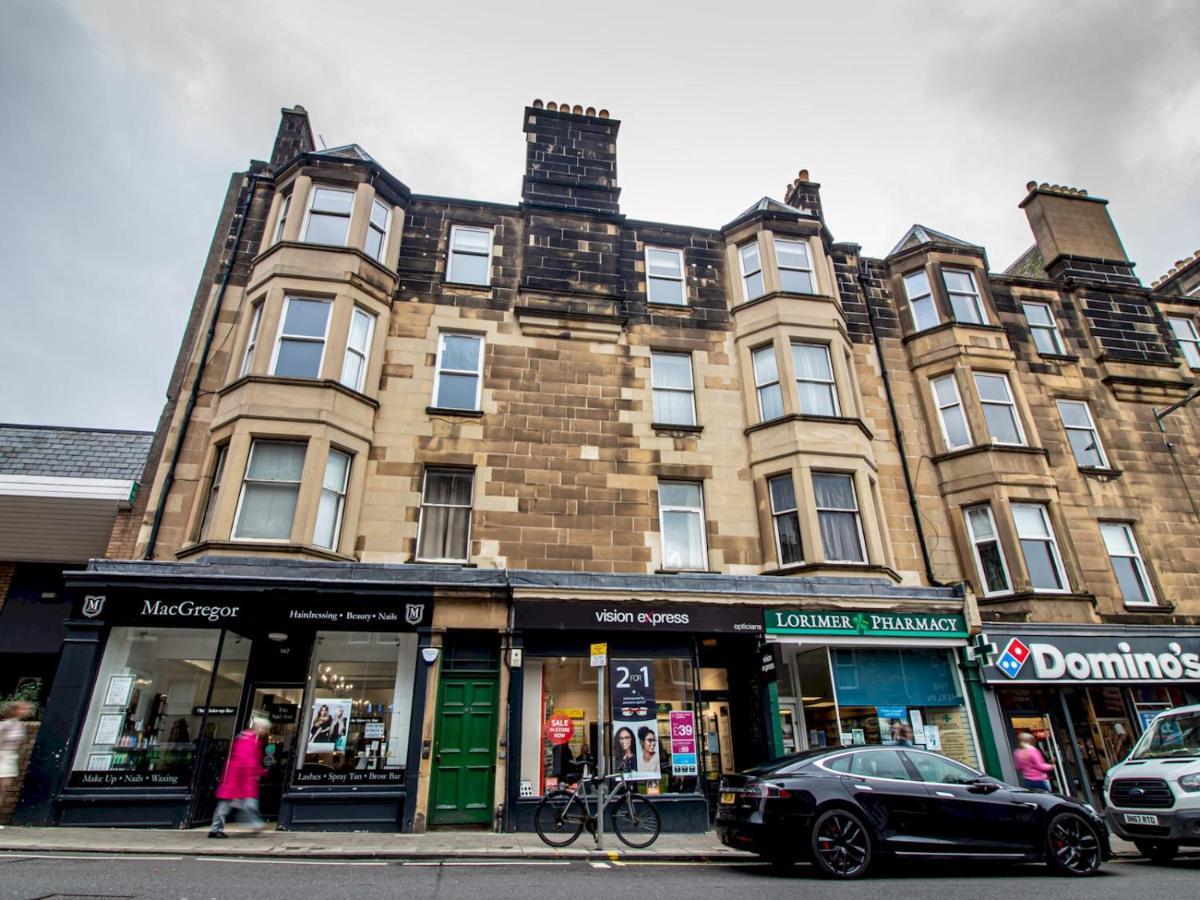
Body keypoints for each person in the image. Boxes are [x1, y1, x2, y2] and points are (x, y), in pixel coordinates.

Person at [209, 716, 269, 838]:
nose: (266, 732)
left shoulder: (247, 738)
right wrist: (259, 771)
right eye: (265, 729)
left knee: (235, 805)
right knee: (240, 804)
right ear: (260, 728)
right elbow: (246, 760)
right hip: (238, 779)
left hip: (237, 778)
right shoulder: (249, 739)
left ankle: (216, 828)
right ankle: (216, 829)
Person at [0, 701, 32, 828]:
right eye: (23, 709)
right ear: (15, 710)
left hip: (10, 757)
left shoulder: (19, 726)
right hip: (2, 755)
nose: (26, 711)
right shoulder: (5, 725)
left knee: (3, 788)